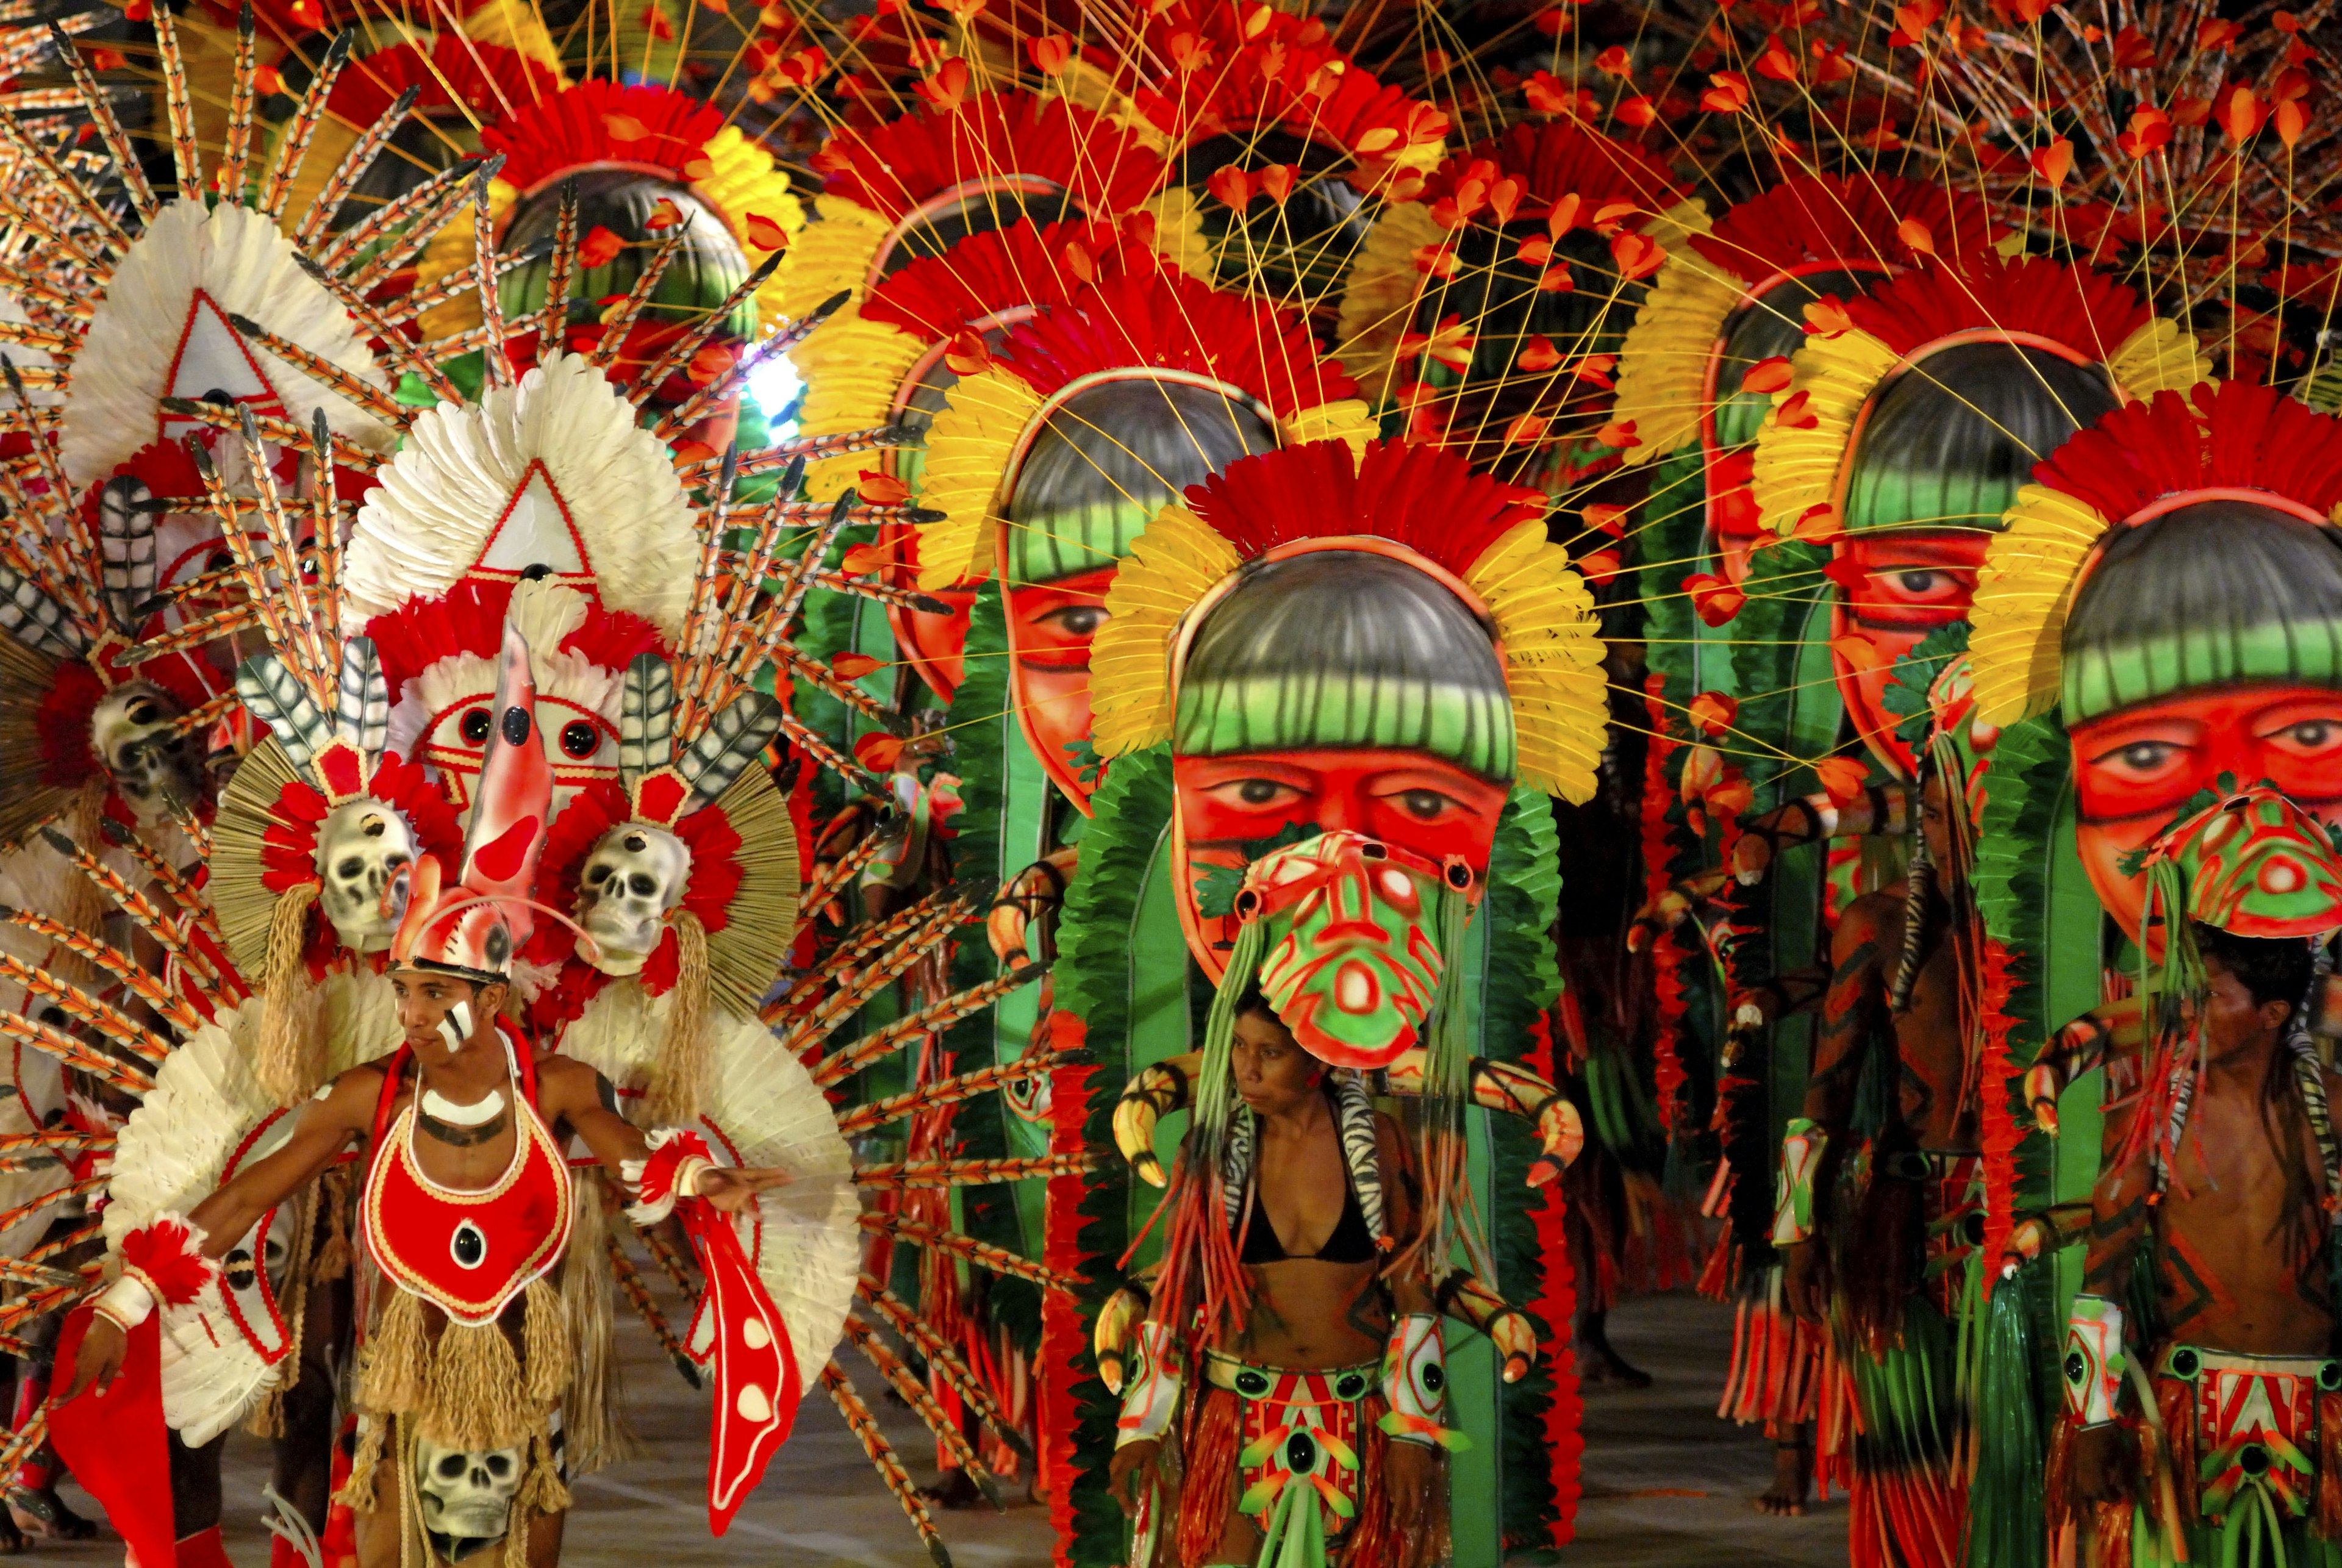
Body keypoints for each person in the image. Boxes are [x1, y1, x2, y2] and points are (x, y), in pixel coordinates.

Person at [2049, 790, 2342, 1564]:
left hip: (2324, 1411)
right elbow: (2100, 1289)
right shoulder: (2150, 1119)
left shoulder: (2334, 1114)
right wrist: (2094, 1423)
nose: (2184, 1011)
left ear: (2273, 1013)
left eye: (2210, 998)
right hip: (2188, 1407)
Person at [1107, 990, 1443, 1568]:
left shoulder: (1381, 1144)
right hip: (1237, 1418)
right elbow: (1176, 1289)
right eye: (1238, 1046)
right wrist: (1142, 1424)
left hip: (1358, 1417)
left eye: (1271, 1052)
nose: (1246, 1067)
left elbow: (1412, 1288)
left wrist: (1412, 1432)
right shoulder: (1208, 1151)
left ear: (1317, 1059)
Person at [1777, 759, 1982, 1567]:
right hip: (1907, 1227)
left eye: (1962, 815)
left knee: (2011, 1454)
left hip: (2020, 1234)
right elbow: (1822, 1094)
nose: (1945, 834)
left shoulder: (2053, 941)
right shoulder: (1876, 923)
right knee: (1908, 1460)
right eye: (1931, 815)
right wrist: (1797, 1230)